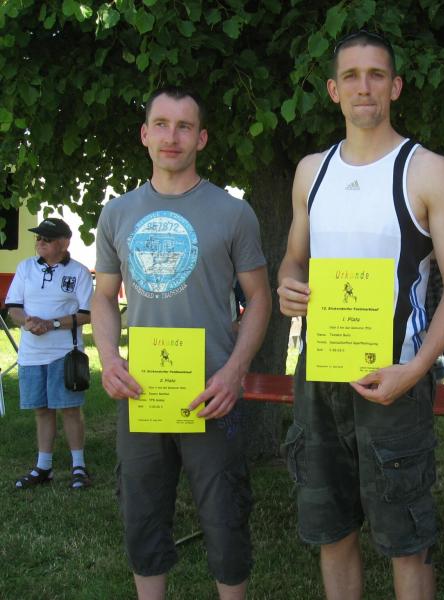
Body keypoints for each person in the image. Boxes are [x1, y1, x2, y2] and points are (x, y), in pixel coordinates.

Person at [277, 31, 444, 600]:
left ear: (396, 86)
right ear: (334, 90)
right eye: (352, 76)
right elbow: (293, 259)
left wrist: (416, 370)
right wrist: (289, 285)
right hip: (320, 375)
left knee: (406, 539)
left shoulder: (427, 170)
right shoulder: (311, 171)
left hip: (396, 375)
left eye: (377, 75)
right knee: (332, 530)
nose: (364, 87)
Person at [91, 86, 271, 600]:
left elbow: (260, 298)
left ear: (202, 138)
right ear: (145, 134)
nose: (172, 137)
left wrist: (235, 371)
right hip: (142, 393)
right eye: (162, 125)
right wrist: (109, 358)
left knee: (225, 515)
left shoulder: (233, 212)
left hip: (212, 393)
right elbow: (103, 297)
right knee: (142, 515)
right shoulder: (117, 213)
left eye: (184, 126)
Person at [6, 217, 93, 490]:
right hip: (31, 355)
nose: (40, 242)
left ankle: (79, 466)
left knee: (70, 409)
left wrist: (52, 324)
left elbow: (87, 314)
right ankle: (44, 467)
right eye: (38, 237)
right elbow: (13, 307)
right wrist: (27, 322)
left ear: (64, 243)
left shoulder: (79, 272)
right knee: (42, 411)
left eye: (47, 238)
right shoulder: (25, 268)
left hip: (64, 354)